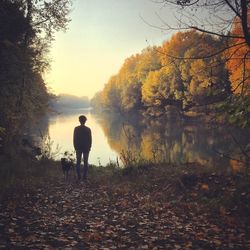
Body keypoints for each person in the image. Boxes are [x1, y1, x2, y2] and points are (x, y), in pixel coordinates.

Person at [73, 115, 92, 180]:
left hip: (78, 147)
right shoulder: (88, 129)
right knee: (85, 162)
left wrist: (75, 147)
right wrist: (89, 147)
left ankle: (78, 176)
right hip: (86, 147)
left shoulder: (76, 129)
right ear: (85, 121)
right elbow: (90, 139)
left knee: (78, 162)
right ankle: (84, 176)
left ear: (79, 121)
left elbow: (74, 139)